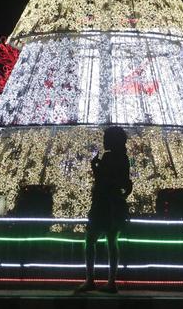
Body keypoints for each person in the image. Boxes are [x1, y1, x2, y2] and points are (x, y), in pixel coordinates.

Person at [76, 126, 132, 294]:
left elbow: (102, 180)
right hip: (116, 204)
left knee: (90, 240)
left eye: (106, 137)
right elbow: (124, 182)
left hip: (103, 204)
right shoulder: (124, 158)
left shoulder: (109, 157)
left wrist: (95, 167)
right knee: (112, 241)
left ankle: (90, 279)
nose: (104, 140)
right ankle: (111, 281)